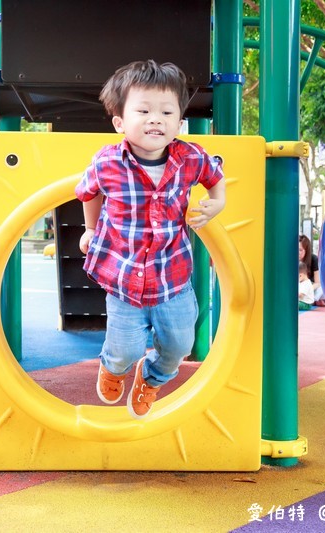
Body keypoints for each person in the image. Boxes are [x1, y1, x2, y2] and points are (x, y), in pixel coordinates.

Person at [75, 60, 226, 419]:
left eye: (166, 111)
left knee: (179, 345)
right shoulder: (107, 161)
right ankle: (115, 367)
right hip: (125, 279)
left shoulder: (190, 158)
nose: (155, 118)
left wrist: (217, 203)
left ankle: (153, 375)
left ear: (178, 122)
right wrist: (91, 230)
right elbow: (88, 193)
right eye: (143, 110)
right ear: (120, 122)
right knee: (124, 348)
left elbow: (214, 175)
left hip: (171, 277)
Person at [299, 234, 325, 305]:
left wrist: (307, 289)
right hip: (298, 288)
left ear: (306, 250)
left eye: (300, 250)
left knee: (322, 289)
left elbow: (318, 282)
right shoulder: (291, 259)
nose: (298, 252)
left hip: (311, 288)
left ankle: (311, 300)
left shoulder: (313, 259)